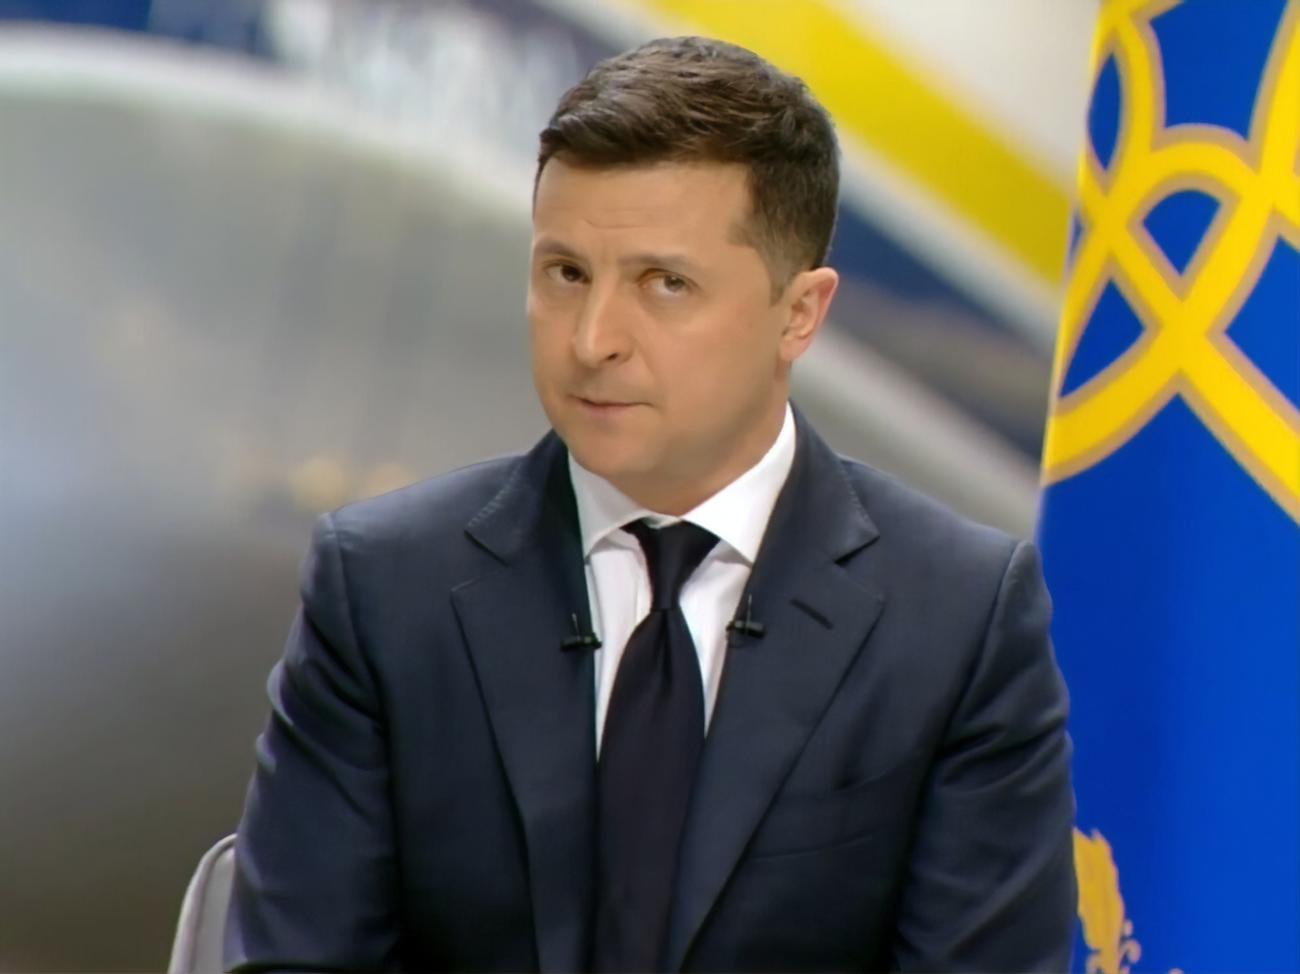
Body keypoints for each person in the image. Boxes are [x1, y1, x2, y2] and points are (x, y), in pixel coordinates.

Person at [224, 36, 1076, 973]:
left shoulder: (956, 619)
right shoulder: (385, 587)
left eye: (665, 285)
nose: (593, 340)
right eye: (566, 274)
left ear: (800, 313)